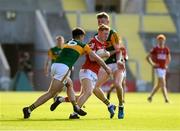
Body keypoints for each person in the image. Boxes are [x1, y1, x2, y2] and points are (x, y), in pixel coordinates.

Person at [22, 27, 112, 119]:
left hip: (55, 66)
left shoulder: (67, 43)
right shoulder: (83, 45)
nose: (83, 39)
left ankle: (75, 107)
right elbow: (95, 58)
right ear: (81, 36)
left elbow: (70, 53)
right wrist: (106, 67)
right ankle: (29, 109)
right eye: (83, 37)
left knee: (69, 84)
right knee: (51, 93)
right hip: (63, 68)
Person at [50, 24, 115, 119]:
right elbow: (92, 58)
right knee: (89, 92)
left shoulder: (103, 44)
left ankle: (60, 99)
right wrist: (104, 54)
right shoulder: (93, 42)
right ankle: (74, 114)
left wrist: (105, 54)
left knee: (82, 96)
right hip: (87, 70)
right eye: (105, 34)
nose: (106, 36)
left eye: (107, 34)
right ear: (100, 33)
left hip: (94, 72)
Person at [92, 12, 125, 119]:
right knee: (95, 87)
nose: (100, 23)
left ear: (108, 22)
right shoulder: (96, 36)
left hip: (116, 63)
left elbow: (118, 50)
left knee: (117, 84)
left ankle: (121, 106)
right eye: (99, 21)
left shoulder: (112, 33)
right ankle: (110, 105)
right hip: (106, 65)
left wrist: (119, 60)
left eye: (102, 21)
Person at [146, 34, 171, 103]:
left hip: (163, 68)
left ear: (164, 41)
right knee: (163, 83)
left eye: (162, 40)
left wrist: (166, 65)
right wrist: (153, 64)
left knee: (159, 85)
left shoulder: (166, 49)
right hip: (158, 68)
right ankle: (166, 99)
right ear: (157, 41)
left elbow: (169, 58)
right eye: (160, 40)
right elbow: (147, 57)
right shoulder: (155, 49)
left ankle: (150, 97)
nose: (161, 41)